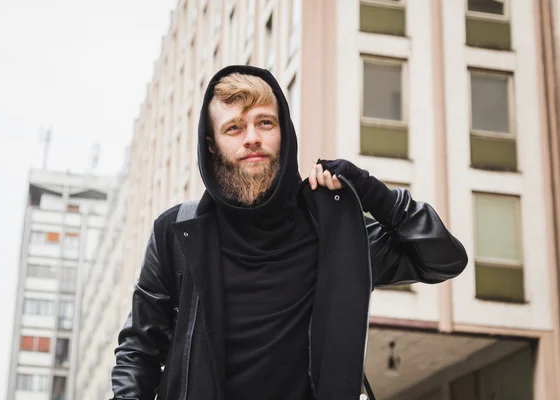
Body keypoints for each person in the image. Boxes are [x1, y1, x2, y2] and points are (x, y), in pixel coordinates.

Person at [110, 65, 468, 400]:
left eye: (265, 123)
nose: (252, 138)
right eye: (234, 128)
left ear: (285, 132)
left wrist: (375, 194)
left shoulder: (332, 231)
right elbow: (140, 348)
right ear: (211, 145)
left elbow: (444, 259)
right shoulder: (176, 233)